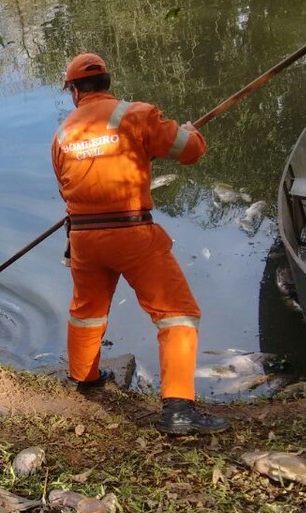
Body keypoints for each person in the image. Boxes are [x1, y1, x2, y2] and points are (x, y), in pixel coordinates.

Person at [51, 52, 229, 435]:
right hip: (131, 233)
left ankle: (85, 379)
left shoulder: (63, 133)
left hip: (83, 237)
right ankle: (179, 411)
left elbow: (67, 184)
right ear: (108, 83)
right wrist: (190, 131)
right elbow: (190, 151)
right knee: (178, 314)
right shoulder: (137, 114)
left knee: (87, 312)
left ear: (74, 92)